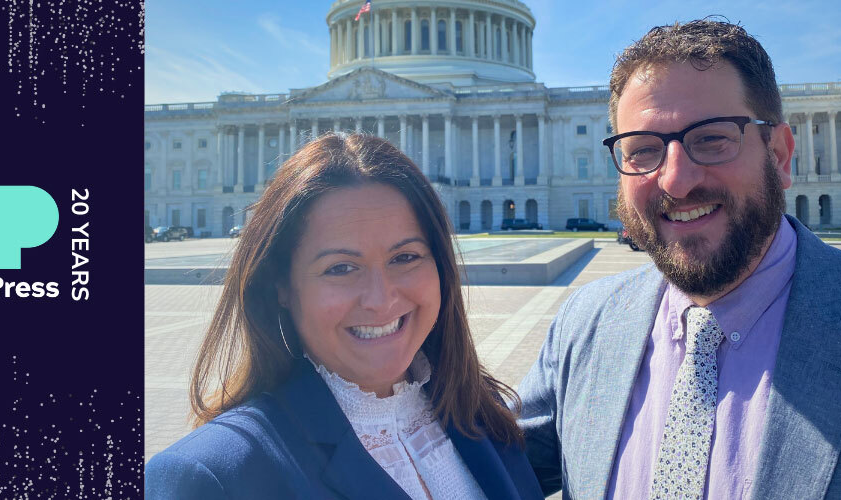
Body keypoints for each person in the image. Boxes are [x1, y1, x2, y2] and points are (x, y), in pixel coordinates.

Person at [518, 19, 841, 500]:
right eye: (642, 150)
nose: (676, 181)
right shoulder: (586, 322)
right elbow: (483, 467)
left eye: (712, 138)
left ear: (781, 155)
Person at [146, 133, 545, 500]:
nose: (380, 299)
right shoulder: (212, 477)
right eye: (340, 267)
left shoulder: (482, 410)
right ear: (281, 287)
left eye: (404, 257)